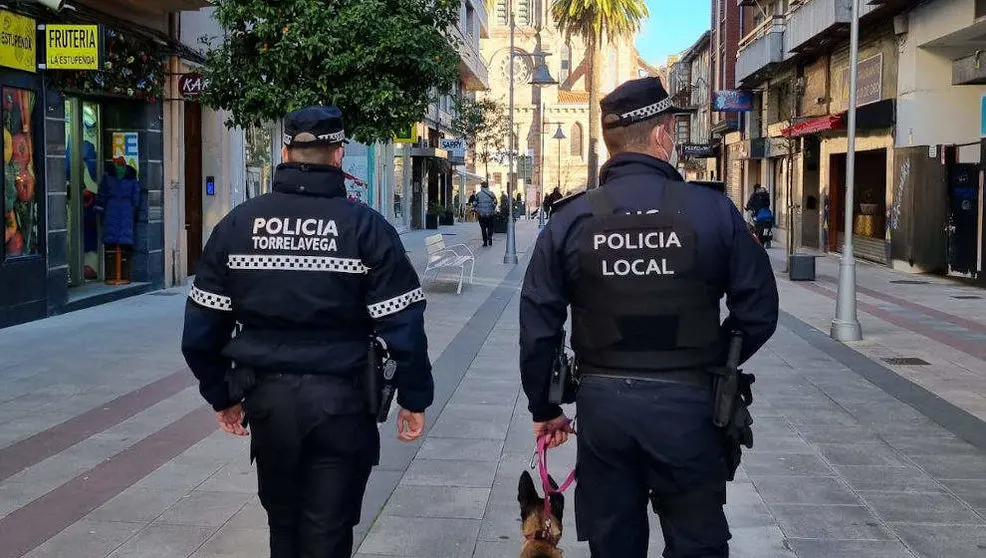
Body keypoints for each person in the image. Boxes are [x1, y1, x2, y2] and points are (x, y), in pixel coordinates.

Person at [519, 77, 779, 558]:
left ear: (609, 142)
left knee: (614, 543)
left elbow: (538, 323)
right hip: (688, 409)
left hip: (604, 409)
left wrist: (546, 407)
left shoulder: (570, 220)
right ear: (663, 136)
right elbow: (759, 308)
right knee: (697, 542)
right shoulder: (712, 211)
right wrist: (712, 359)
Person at [181, 105, 434, 558]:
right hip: (343, 402)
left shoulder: (238, 225)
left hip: (268, 402)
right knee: (329, 530)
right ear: (338, 156)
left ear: (284, 151)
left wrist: (222, 396)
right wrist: (415, 398)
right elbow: (403, 324)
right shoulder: (365, 227)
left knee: (284, 526)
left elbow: (201, 330)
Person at [473, 181, 497, 246]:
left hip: (481, 214)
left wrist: (475, 210)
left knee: (483, 228)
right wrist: (493, 208)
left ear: (482, 187)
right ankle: (490, 237)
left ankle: (485, 242)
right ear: (487, 186)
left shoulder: (478, 194)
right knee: (490, 227)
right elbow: (495, 202)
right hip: (490, 213)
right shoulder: (491, 194)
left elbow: (474, 204)